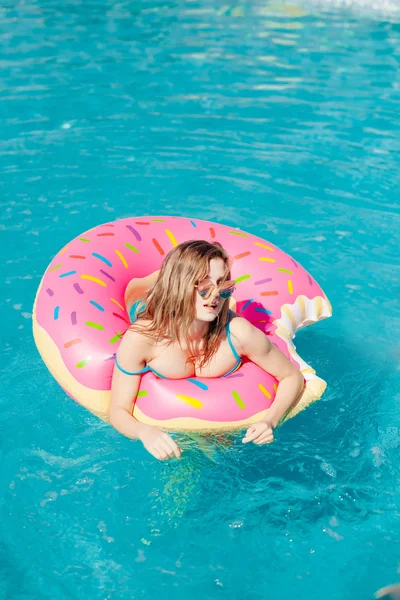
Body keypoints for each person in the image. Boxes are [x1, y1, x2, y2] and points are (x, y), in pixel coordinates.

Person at [110, 240, 304, 460]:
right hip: (158, 314)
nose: (215, 296)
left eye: (223, 286)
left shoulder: (239, 333)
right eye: (204, 287)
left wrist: (270, 421)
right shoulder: (143, 339)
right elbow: (118, 411)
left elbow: (291, 376)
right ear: (182, 285)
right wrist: (145, 432)